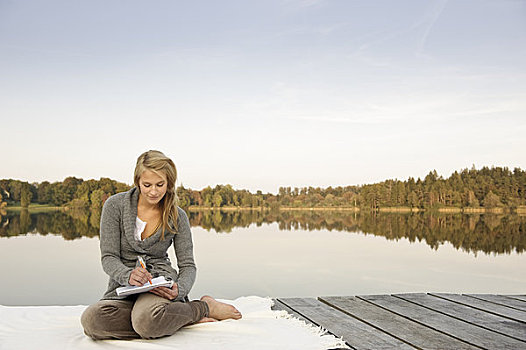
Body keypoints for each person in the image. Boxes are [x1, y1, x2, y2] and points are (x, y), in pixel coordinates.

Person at [81, 150, 241, 340]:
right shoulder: (115, 206)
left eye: (160, 184)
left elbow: (188, 265)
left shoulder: (177, 215)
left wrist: (179, 289)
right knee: (92, 322)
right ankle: (178, 318)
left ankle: (203, 307)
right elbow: (109, 257)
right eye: (147, 185)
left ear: (169, 183)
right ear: (137, 181)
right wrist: (127, 275)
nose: (153, 191)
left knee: (146, 323)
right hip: (125, 287)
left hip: (160, 287)